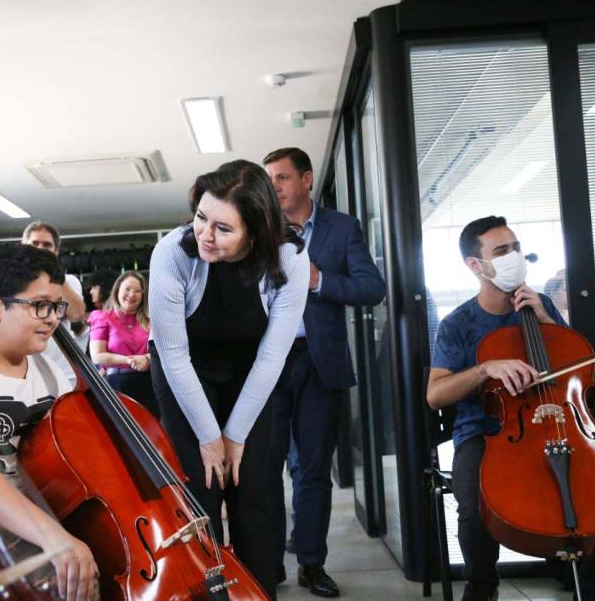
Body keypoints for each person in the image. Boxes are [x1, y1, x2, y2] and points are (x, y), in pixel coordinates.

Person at [426, 215, 595, 601]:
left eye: (516, 248)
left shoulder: (541, 306)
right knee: (474, 508)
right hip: (487, 433)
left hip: (560, 422)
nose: (514, 256)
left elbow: (585, 372)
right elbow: (435, 394)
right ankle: (482, 589)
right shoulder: (457, 324)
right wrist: (485, 369)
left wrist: (548, 321)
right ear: (475, 265)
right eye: (501, 251)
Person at [148, 159, 309, 597]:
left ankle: (257, 593)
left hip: (250, 367)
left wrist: (235, 436)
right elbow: (175, 356)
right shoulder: (171, 253)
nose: (205, 234)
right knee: (199, 492)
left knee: (253, 487)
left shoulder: (290, 256)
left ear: (254, 232)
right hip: (184, 367)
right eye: (201, 217)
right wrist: (209, 436)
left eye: (223, 228)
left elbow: (273, 354)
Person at [0, 242, 98, 600]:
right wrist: (56, 539)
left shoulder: (50, 372)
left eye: (56, 306)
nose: (53, 318)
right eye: (40, 305)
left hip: (50, 522)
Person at [263, 147, 385, 597]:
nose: (274, 186)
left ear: (307, 179)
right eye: (269, 179)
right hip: (268, 366)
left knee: (313, 471)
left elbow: (373, 288)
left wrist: (319, 281)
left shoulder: (342, 228)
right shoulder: (259, 230)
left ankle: (311, 565)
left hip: (321, 363)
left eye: (281, 177)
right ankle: (268, 564)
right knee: (265, 470)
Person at [22, 220, 86, 387]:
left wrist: (53, 270)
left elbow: (76, 314)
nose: (40, 249)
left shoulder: (69, 282)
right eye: (34, 243)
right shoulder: (11, 283)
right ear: (24, 247)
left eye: (47, 245)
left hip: (63, 373)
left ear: (56, 251)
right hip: (25, 372)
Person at [89, 270, 158, 417]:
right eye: (127, 289)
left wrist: (146, 358)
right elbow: (97, 356)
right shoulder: (103, 317)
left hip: (150, 383)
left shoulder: (151, 319)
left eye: (137, 291)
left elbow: (162, 351)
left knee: (152, 432)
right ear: (117, 290)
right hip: (117, 384)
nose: (131, 294)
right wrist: (130, 360)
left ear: (143, 295)